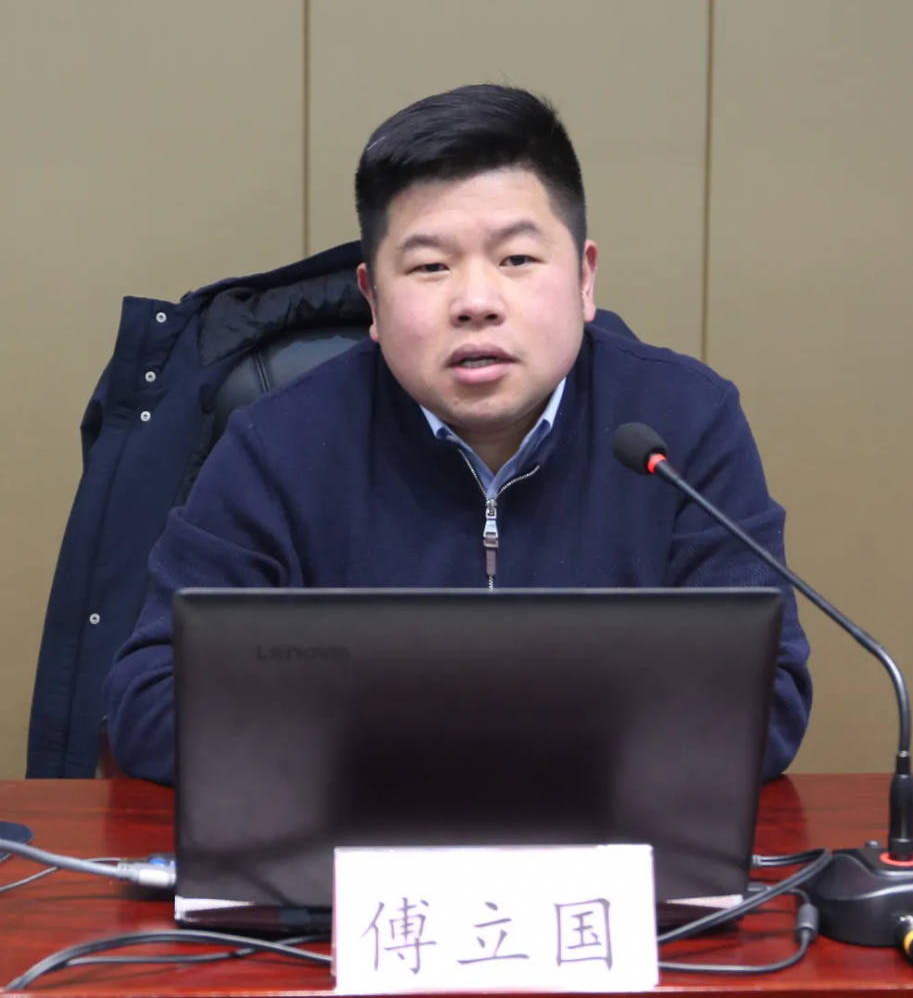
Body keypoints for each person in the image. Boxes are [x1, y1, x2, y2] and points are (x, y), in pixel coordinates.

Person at [104, 84, 811, 785]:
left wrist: (396, 729)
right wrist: (463, 747)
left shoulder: (682, 423)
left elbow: (765, 698)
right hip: (360, 841)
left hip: (604, 842)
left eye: (517, 260)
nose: (476, 302)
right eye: (430, 267)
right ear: (372, 298)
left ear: (584, 279)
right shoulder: (280, 444)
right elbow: (152, 701)